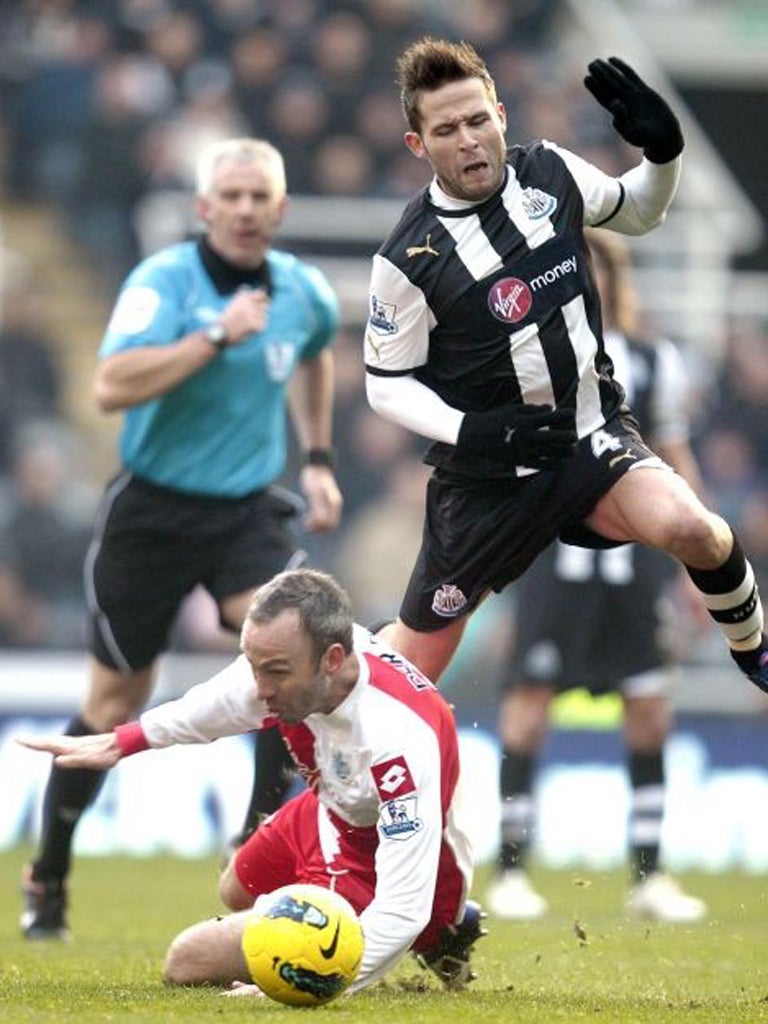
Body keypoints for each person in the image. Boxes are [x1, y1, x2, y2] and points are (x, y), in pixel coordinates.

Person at [364, 40, 768, 700]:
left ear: (499, 114)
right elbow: (385, 384)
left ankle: (757, 653)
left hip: (588, 439)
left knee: (696, 529)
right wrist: (478, 434)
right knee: (408, 674)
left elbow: (637, 210)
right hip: (489, 480)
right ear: (418, 144)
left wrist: (663, 156)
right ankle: (314, 737)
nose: (467, 141)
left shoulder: (549, 172)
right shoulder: (409, 256)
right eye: (445, 130)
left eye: (476, 121)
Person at [21, 137, 343, 941]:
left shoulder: (303, 292)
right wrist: (215, 339)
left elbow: (314, 359)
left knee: (288, 655)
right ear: (204, 209)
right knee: (112, 702)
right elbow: (107, 385)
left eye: (257, 197)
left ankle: (257, 845)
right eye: (228, 197)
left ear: (280, 209)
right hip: (152, 513)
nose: (243, 210)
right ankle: (50, 867)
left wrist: (318, 460)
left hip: (245, 510)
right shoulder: (163, 282)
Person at [20, 568, 485, 994]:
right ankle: (428, 926)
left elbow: (403, 906)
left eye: (274, 672)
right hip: (331, 811)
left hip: (376, 862)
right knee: (235, 887)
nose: (259, 688)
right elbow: (218, 703)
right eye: (254, 665)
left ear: (332, 659)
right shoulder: (297, 661)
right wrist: (125, 741)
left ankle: (441, 931)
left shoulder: (397, 739)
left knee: (188, 960)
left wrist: (302, 981)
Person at [488, 229, 707, 922]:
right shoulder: (532, 357)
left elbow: (673, 459)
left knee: (649, 708)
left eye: (599, 272)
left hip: (632, 566)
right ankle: (511, 871)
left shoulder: (652, 361)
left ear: (614, 281)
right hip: (556, 556)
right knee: (528, 704)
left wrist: (703, 560)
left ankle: (649, 877)